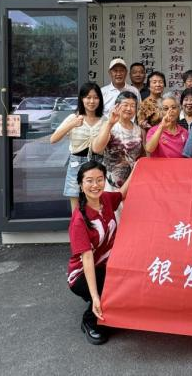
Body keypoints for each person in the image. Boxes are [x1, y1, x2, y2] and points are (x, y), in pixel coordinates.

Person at [67, 160, 131, 345]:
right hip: (82, 275)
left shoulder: (106, 200)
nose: (95, 185)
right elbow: (87, 259)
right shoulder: (79, 220)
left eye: (99, 179)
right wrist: (95, 296)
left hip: (106, 266)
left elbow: (122, 193)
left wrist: (139, 167)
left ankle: (106, 304)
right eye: (89, 181)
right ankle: (90, 320)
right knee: (110, 297)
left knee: (127, 288)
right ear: (81, 185)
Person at [50, 82, 106, 211]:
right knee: (76, 209)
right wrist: (72, 124)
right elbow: (53, 139)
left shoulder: (105, 120)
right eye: (88, 97)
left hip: (98, 164)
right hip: (76, 164)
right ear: (82, 99)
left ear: (100, 100)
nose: (92, 101)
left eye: (96, 97)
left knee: (96, 206)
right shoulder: (73, 117)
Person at [92, 91, 145, 189]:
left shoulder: (139, 130)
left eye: (133, 106)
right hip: (110, 183)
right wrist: (110, 123)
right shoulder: (109, 126)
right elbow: (96, 149)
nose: (129, 108)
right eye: (125, 105)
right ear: (117, 106)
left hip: (132, 182)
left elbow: (142, 156)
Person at [145, 92, 189, 158]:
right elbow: (149, 149)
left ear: (179, 110)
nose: (170, 111)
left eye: (173, 107)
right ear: (161, 112)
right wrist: (161, 127)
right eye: (166, 109)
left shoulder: (184, 132)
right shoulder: (153, 130)